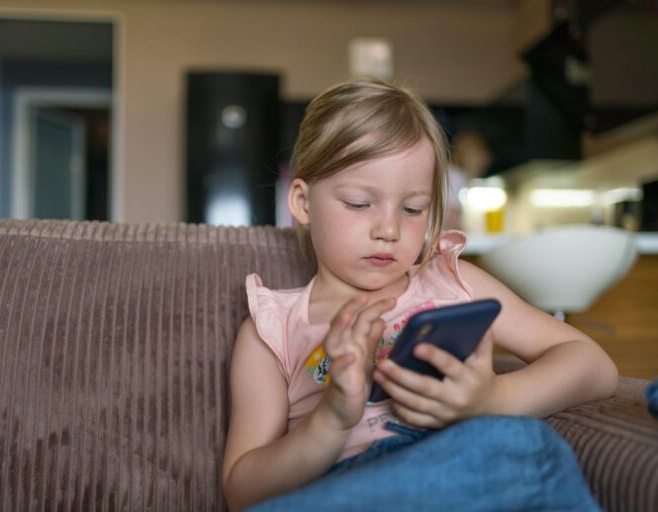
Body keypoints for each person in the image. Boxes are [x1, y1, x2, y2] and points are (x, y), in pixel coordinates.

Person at [222, 79, 618, 511]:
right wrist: (331, 419)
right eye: (358, 203)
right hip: (342, 487)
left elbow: (593, 364)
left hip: (462, 469)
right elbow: (243, 492)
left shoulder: (451, 282)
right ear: (302, 202)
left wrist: (495, 400)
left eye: (412, 209)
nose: (389, 230)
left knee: (523, 442)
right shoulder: (273, 327)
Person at [445, 131, 493, 230]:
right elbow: (451, 217)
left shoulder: (451, 173)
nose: (487, 160)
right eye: (481, 154)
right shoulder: (457, 176)